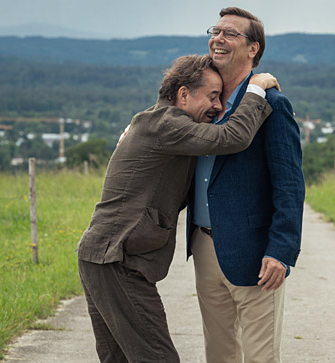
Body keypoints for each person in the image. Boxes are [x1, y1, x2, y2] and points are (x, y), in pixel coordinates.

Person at [77, 54, 279, 363]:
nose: (219, 106)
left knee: (118, 358)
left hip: (100, 256)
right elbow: (232, 137)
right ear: (183, 94)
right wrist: (257, 88)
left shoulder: (156, 123)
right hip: (118, 259)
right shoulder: (165, 124)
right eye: (213, 96)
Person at [186, 8, 305, 363]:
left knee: (259, 356)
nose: (217, 39)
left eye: (230, 34)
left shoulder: (273, 105)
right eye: (215, 31)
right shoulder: (202, 105)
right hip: (204, 246)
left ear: (253, 49)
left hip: (256, 252)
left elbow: (290, 184)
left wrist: (281, 250)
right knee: (219, 354)